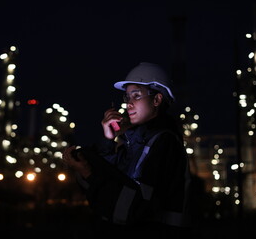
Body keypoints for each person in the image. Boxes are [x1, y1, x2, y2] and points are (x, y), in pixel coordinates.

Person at [62, 62, 193, 238]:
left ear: (156, 99)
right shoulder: (136, 141)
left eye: (136, 96)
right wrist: (108, 140)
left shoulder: (163, 142)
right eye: (127, 97)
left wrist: (88, 173)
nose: (129, 104)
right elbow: (113, 178)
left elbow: (133, 208)